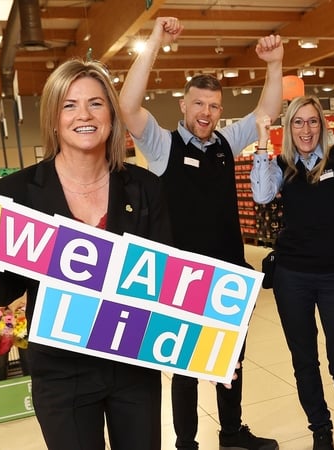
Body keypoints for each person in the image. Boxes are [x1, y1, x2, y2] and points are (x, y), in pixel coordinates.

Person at [0, 58, 172, 450]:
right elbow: (6, 288)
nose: (84, 115)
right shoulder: (16, 192)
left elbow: (166, 281)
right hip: (61, 371)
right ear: (54, 119)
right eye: (69, 105)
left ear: (111, 113)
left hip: (132, 364)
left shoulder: (145, 188)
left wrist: (212, 345)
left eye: (96, 103)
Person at [119, 17, 283, 450]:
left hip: (229, 273)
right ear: (183, 106)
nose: (205, 114)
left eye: (213, 106)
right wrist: (154, 41)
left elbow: (267, 113)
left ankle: (231, 433)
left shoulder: (228, 143)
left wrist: (275, 64)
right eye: (198, 105)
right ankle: (186, 443)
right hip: (181, 278)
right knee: (187, 365)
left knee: (231, 359)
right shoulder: (161, 145)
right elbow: (129, 107)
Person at [249, 96, 334, 450]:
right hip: (293, 276)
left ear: (323, 125)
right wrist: (261, 139)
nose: (306, 129)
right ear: (289, 128)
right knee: (304, 359)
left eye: (313, 122)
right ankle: (321, 428)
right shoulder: (280, 164)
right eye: (298, 123)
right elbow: (260, 194)